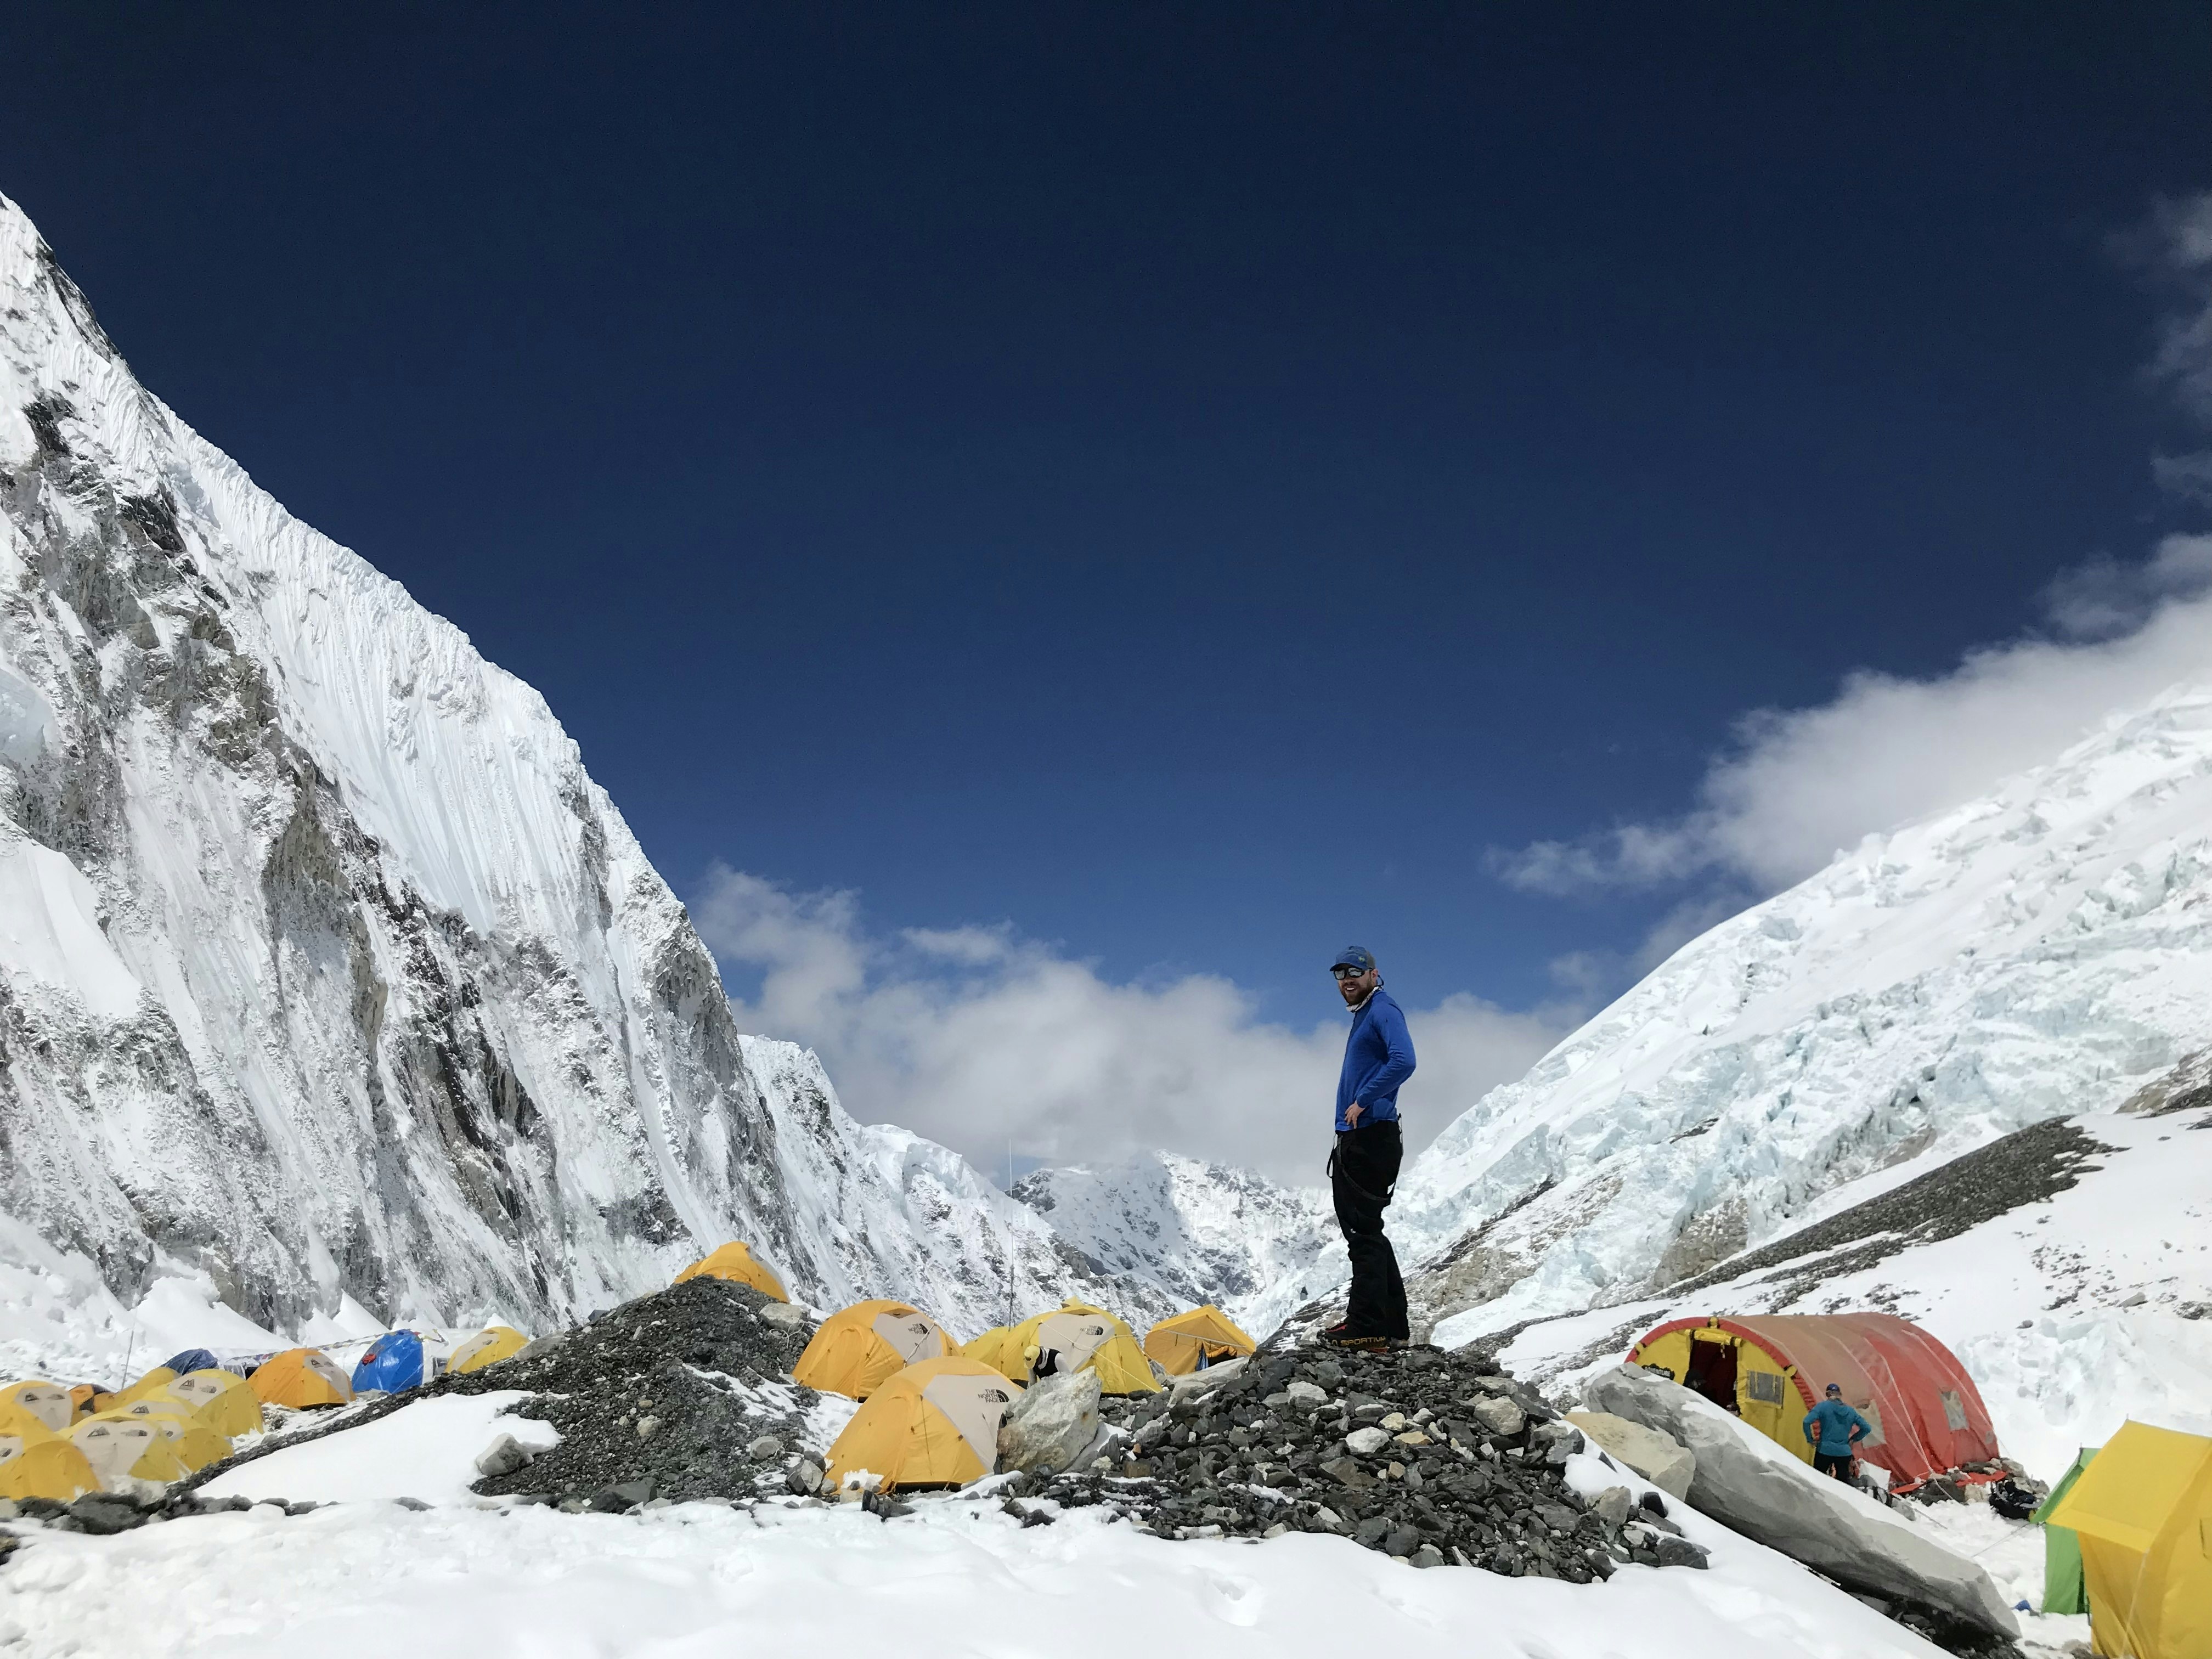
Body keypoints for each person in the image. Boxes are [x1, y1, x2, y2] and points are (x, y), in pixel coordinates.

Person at [1322, 946, 1415, 1350]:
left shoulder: (1383, 1010)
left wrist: (1363, 1100)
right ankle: (1391, 1326)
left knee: (1362, 1233)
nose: (1347, 981)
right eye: (1341, 975)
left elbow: (1404, 1061)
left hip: (1370, 1134)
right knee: (1369, 1229)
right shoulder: (1366, 1013)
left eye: (1355, 974)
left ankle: (1365, 1327)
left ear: (1374, 975)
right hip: (1364, 1135)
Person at [1802, 1382, 1872, 1480]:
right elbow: (1867, 1428)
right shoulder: (1851, 1411)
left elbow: (1806, 1421)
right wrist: (1853, 1439)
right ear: (1840, 1395)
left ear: (1828, 1394)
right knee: (1842, 1484)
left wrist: (1810, 1439)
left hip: (1824, 1450)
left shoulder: (1823, 1407)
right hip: (1844, 1452)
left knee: (1817, 1480)